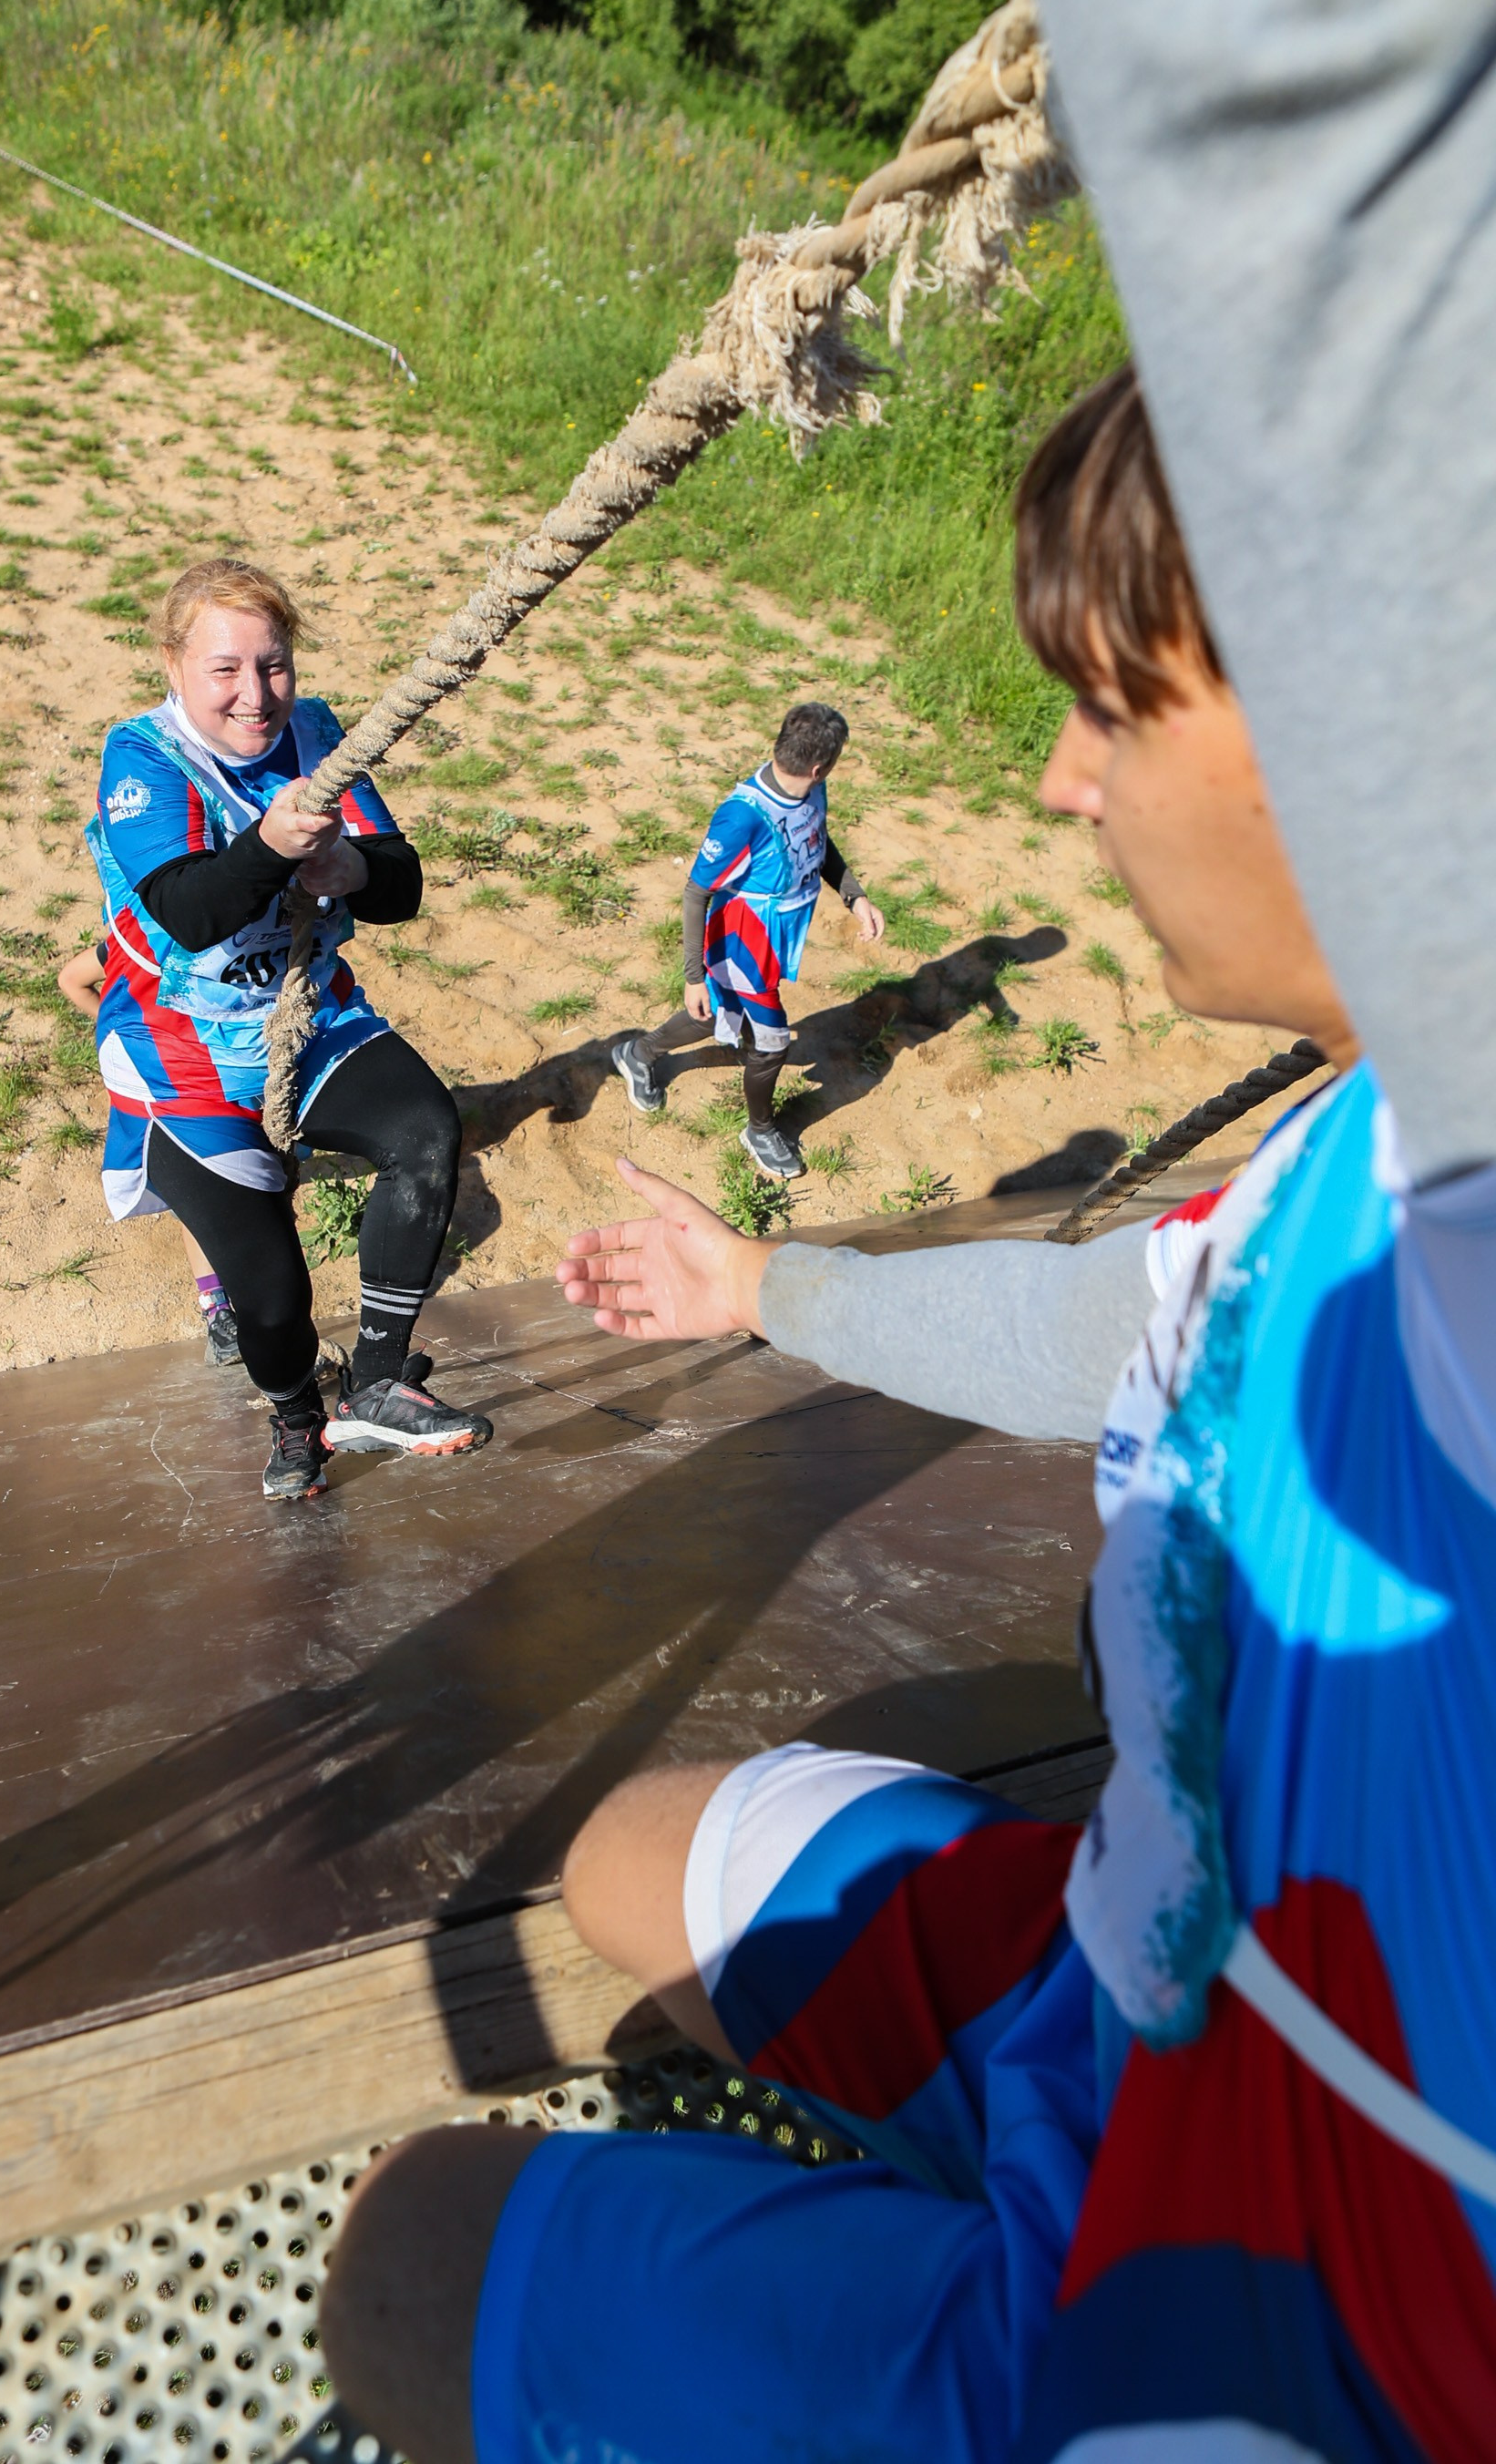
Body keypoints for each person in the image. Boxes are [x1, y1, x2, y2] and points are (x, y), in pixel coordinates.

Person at [318, 365, 1496, 2461]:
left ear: (1386, 728)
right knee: (627, 1854)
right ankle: (943, 2189)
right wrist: (753, 1288)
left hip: (1306, 2300)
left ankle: (928, 2287)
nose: (1057, 783)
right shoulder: (1332, 1178)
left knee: (407, 2265)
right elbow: (1102, 1328)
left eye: (1110, 709)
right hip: (1155, 1966)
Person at [82, 556, 492, 1503]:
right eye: (225, 669)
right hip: (178, 1049)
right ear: (174, 667)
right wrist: (270, 847)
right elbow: (190, 912)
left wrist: (349, 871)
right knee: (269, 1299)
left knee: (424, 1129)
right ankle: (296, 1417)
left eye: (273, 666)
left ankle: (379, 1381)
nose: (254, 695)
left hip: (303, 1015)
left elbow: (401, 881)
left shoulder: (313, 731)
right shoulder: (142, 757)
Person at [609, 702, 886, 1179]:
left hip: (776, 937)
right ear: (819, 766)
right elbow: (696, 893)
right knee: (773, 1042)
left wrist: (853, 895)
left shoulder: (810, 791)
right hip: (742, 941)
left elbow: (818, 841)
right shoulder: (742, 817)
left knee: (718, 1014)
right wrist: (694, 976)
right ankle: (759, 1131)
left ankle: (637, 1054)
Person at [56, 939, 242, 1368]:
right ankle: (219, 1313)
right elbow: (71, 979)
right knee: (194, 1195)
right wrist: (128, 1031)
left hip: (230, 1068)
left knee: (257, 1186)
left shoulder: (230, 928)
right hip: (168, 1084)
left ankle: (256, 1304)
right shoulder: (135, 936)